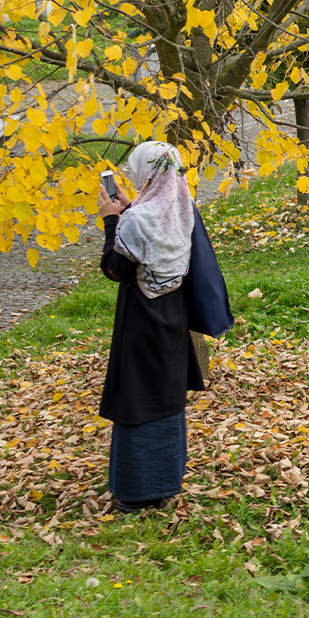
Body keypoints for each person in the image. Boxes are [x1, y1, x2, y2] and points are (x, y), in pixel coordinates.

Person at [95, 141, 202, 513]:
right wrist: (127, 210)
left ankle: (138, 492)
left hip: (142, 320)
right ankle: (164, 482)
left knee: (138, 397)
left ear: (146, 172)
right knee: (166, 397)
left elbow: (115, 268)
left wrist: (112, 220)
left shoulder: (138, 221)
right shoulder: (181, 206)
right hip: (174, 316)